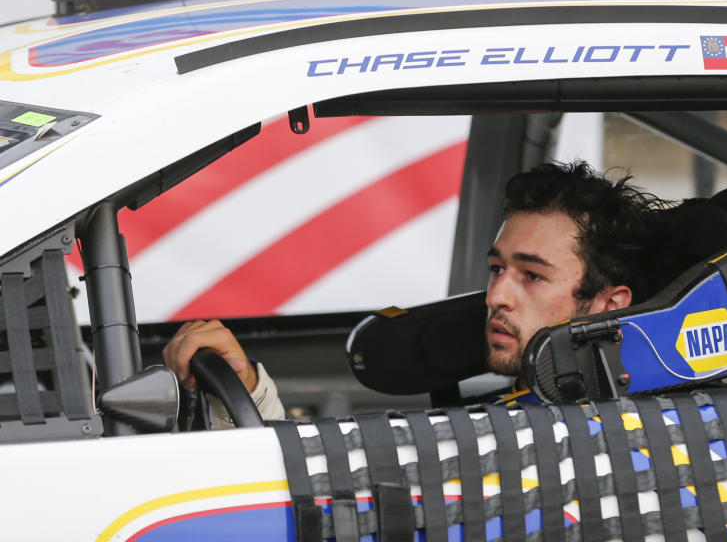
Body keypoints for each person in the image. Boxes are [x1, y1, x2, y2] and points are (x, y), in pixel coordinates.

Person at [162, 161, 668, 421]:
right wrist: (245, 387)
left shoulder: (635, 438)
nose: (496, 296)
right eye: (496, 269)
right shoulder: (518, 405)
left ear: (607, 305)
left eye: (531, 275)